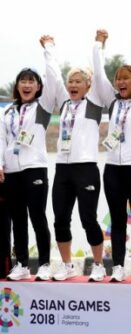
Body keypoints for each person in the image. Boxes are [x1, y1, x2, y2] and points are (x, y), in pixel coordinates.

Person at [40, 35, 106, 282]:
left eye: (79, 81)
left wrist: (98, 45)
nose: (73, 85)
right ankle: (67, 266)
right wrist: (49, 48)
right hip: (63, 170)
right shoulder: (65, 104)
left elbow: (99, 74)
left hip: (86, 168)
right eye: (71, 82)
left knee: (88, 218)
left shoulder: (95, 102)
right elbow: (53, 74)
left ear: (88, 84)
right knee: (60, 219)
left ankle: (98, 264)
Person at [91, 29, 131, 282]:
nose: (120, 82)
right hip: (113, 169)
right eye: (118, 79)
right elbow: (97, 73)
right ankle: (117, 266)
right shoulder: (113, 102)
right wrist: (99, 45)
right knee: (117, 220)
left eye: (126, 78)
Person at [0, 66, 55, 281]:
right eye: (23, 81)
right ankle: (22, 263)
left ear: (39, 87)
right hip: (12, 171)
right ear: (17, 86)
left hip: (34, 168)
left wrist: (48, 50)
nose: (27, 84)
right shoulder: (8, 111)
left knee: (38, 217)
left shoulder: (42, 107)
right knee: (18, 219)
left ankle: (44, 263)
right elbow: (2, 139)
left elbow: (54, 79)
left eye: (32, 81)